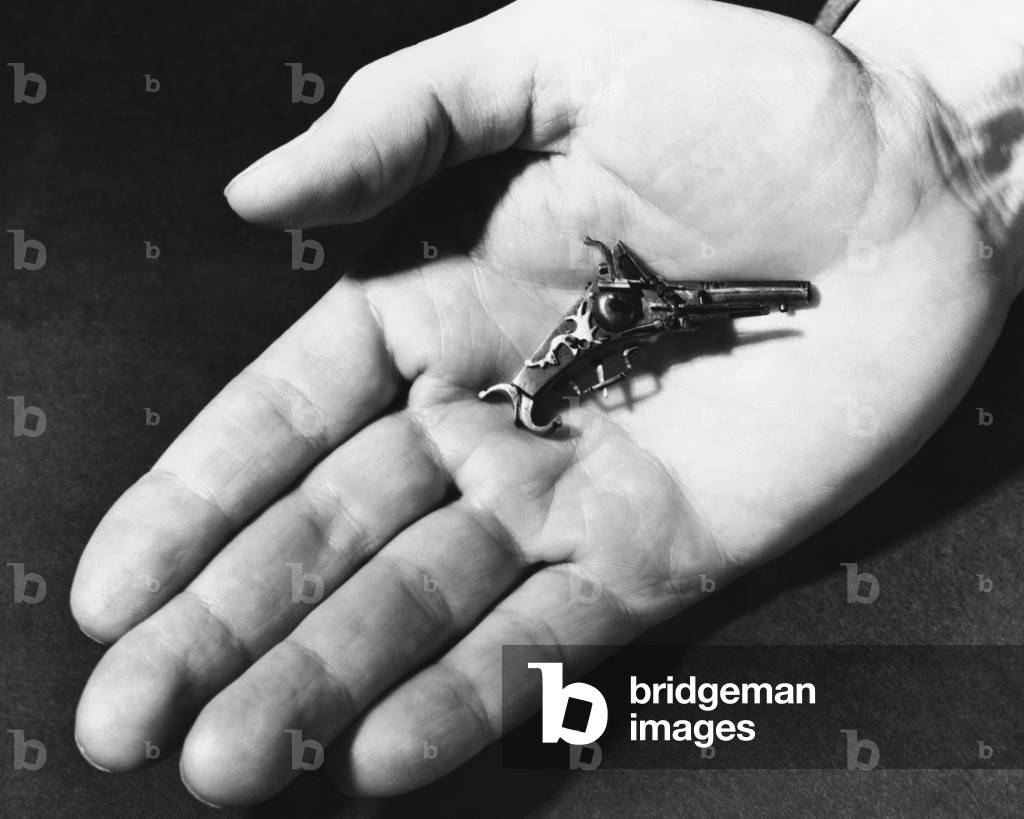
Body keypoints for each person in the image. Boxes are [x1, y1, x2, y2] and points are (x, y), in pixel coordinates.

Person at [68, 0, 1024, 806]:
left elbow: (617, 321)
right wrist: (928, 87)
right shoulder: (587, 328)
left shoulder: (616, 313)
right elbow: (602, 328)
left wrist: (926, 119)